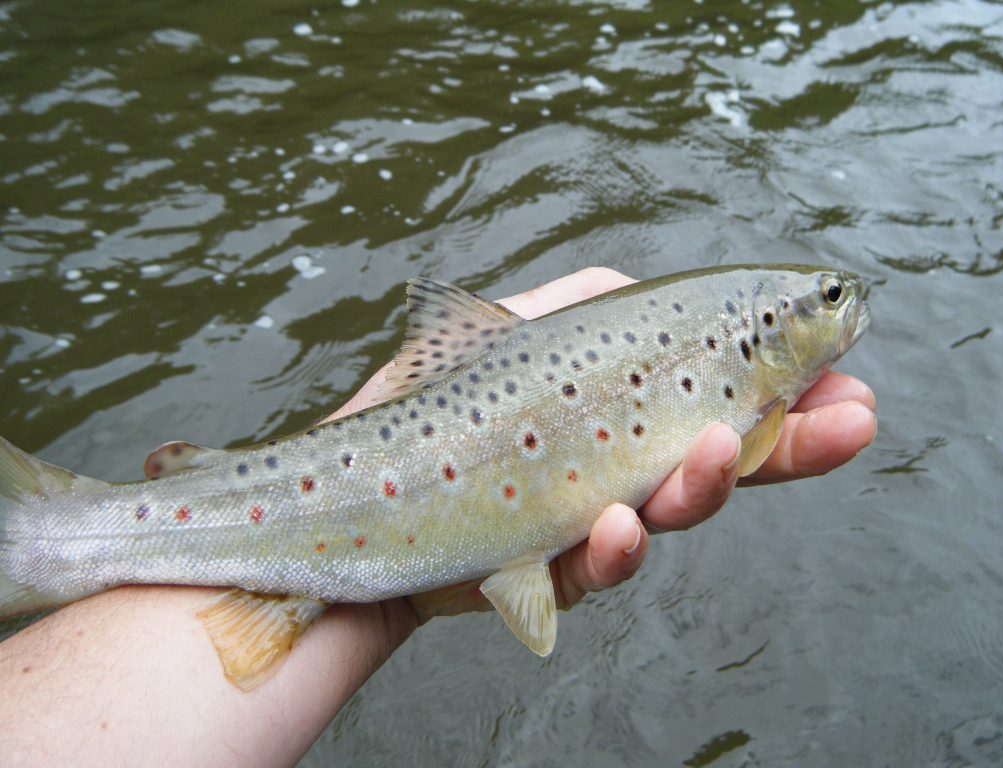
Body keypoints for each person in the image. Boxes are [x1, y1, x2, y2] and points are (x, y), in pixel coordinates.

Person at [0, 267, 876, 765]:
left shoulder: (753, 382)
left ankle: (66, 539)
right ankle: (57, 542)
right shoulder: (752, 388)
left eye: (831, 295)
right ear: (769, 328)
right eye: (832, 297)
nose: (849, 301)